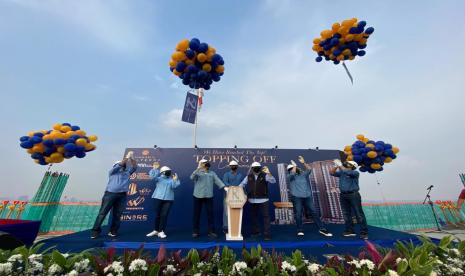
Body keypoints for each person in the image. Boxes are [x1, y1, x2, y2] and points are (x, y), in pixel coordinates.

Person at [91, 152, 138, 239]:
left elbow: (134, 167)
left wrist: (132, 158)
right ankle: (95, 231)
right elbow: (121, 164)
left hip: (122, 196)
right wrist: (126, 158)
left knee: (118, 214)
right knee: (102, 213)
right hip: (110, 194)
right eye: (120, 165)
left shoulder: (127, 173)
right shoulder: (112, 172)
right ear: (116, 166)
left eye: (124, 165)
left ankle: (113, 231)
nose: (123, 166)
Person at [287, 156, 333, 237]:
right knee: (298, 214)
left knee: (314, 212)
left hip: (307, 196)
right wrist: (294, 166)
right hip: (297, 197)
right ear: (290, 170)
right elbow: (292, 173)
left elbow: (309, 169)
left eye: (295, 168)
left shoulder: (303, 175)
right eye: (292, 168)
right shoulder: (290, 176)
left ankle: (322, 229)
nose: (295, 169)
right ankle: (300, 230)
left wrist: (303, 163)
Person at [330, 159, 368, 240]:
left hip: (353, 195)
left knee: (358, 214)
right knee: (346, 214)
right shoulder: (342, 173)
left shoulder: (355, 173)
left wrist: (340, 165)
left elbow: (347, 172)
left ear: (353, 166)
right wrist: (336, 166)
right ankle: (350, 231)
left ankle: (364, 232)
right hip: (343, 195)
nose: (346, 164)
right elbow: (331, 173)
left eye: (348, 164)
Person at [190, 159, 228, 238]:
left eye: (206, 163)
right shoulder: (198, 172)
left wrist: (224, 187)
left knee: (210, 214)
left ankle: (211, 232)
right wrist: (198, 168)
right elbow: (192, 177)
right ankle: (195, 231)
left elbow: (218, 180)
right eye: (203, 163)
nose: (205, 165)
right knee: (196, 214)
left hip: (209, 196)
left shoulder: (212, 173)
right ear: (200, 164)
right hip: (197, 196)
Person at [240, 162, 276, 240]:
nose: (256, 168)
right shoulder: (248, 177)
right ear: (252, 169)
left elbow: (273, 181)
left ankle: (267, 234)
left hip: (264, 199)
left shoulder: (265, 175)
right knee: (253, 217)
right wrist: (243, 193)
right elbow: (241, 185)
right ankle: (255, 232)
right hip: (252, 200)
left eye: (257, 167)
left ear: (260, 168)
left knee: (266, 217)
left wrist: (269, 173)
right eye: (254, 167)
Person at [146, 163, 181, 239]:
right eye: (167, 171)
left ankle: (161, 231)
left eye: (169, 171)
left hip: (168, 199)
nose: (169, 172)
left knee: (164, 215)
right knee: (157, 215)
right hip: (157, 198)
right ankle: (156, 230)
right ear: (162, 172)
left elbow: (174, 186)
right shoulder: (158, 178)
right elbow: (152, 177)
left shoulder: (171, 180)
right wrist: (155, 169)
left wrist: (175, 180)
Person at [222, 160, 243, 233]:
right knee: (226, 212)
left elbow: (242, 184)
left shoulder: (240, 175)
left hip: (238, 197)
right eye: (232, 166)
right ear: (230, 167)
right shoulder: (226, 174)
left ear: (237, 167)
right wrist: (233, 187)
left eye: (235, 165)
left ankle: (237, 227)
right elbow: (225, 182)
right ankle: (226, 227)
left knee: (237, 211)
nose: (233, 167)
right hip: (228, 196)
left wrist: (238, 189)